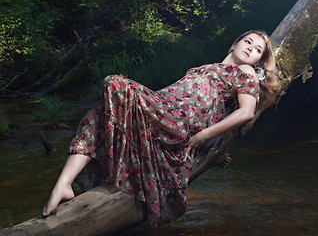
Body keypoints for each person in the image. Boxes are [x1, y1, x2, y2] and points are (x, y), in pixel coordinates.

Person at [42, 30, 281, 226]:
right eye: (247, 41)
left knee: (114, 82)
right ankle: (63, 185)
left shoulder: (245, 72)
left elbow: (246, 111)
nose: (250, 47)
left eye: (257, 49)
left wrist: (202, 136)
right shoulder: (204, 68)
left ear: (258, 61)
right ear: (235, 43)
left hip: (179, 123)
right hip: (162, 111)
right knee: (94, 117)